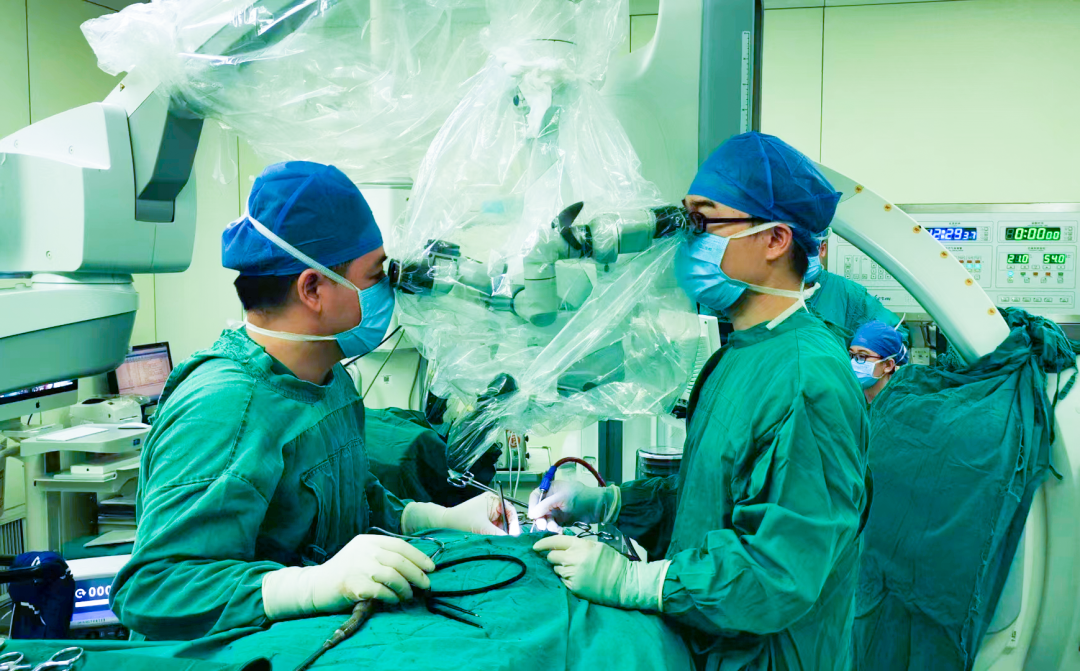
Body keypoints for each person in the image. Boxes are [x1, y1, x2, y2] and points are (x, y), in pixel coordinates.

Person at [111, 162, 518, 641]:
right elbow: (153, 587)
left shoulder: (331, 379)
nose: (388, 290)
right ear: (312, 289)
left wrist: (441, 518)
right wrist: (309, 587)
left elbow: (356, 500)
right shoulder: (223, 408)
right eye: (375, 275)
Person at [530, 132, 870, 671]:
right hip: (712, 641)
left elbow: (778, 570)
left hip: (764, 657)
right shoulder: (740, 353)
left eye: (702, 221)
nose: (686, 241)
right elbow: (710, 495)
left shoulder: (806, 380)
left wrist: (633, 581)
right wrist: (607, 503)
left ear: (775, 239)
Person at [806, 238, 908, 341]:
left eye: (807, 249)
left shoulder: (845, 292)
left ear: (822, 249)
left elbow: (896, 333)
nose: (799, 257)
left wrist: (865, 348)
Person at [849, 319, 908, 403]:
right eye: (851, 355)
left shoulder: (900, 405)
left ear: (888, 365)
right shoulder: (851, 400)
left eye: (862, 356)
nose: (853, 362)